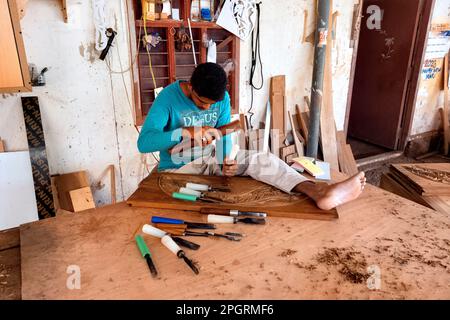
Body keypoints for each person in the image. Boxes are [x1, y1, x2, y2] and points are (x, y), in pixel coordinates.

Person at [138, 62, 366, 210]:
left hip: (211, 159)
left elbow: (225, 133)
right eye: (201, 103)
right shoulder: (168, 98)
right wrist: (184, 132)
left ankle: (317, 190)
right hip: (178, 168)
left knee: (262, 160)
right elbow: (144, 143)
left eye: (212, 104)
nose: (206, 110)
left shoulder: (222, 99)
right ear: (191, 87)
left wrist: (228, 160)